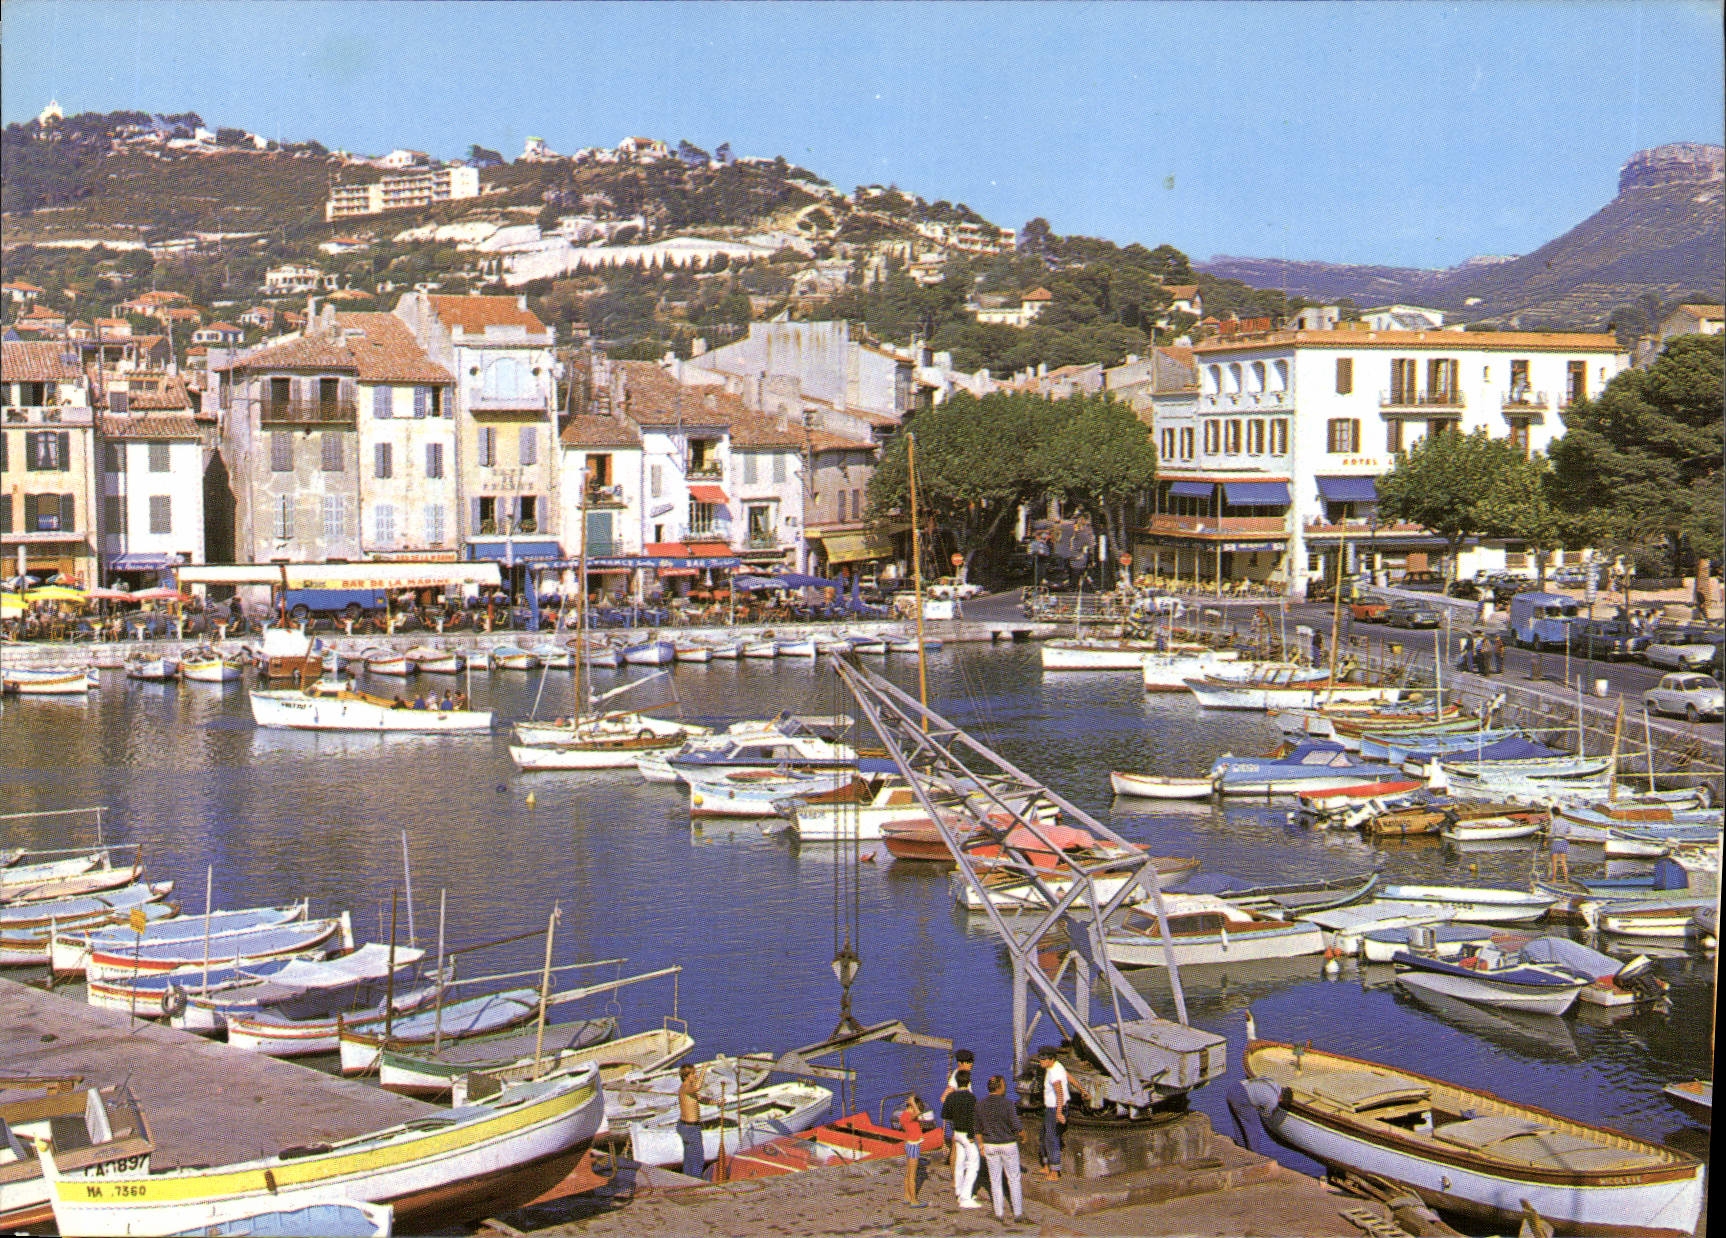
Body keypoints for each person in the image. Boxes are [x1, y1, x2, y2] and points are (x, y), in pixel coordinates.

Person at [977, 1074, 1025, 1223]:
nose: (1005, 1087)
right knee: (1014, 1179)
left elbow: (977, 1130)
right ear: (999, 1087)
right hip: (1008, 1145)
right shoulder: (1008, 1104)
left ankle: (998, 1212)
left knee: (995, 1179)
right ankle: (1017, 1213)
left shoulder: (980, 1105)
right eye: (1004, 1085)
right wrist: (1023, 1137)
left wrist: (980, 1145)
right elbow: (1017, 1127)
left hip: (990, 1145)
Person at [941, 1069, 982, 1208]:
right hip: (967, 1134)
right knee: (973, 1164)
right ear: (969, 1082)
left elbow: (945, 1114)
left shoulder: (951, 1097)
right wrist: (972, 1135)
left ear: (957, 1082)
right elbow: (973, 1118)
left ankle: (959, 1191)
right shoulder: (971, 1098)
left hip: (956, 1132)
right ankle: (965, 1197)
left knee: (959, 1162)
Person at [1037, 1046, 1068, 1179]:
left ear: (1052, 1059)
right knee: (1044, 1135)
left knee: (1051, 1138)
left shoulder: (1054, 1073)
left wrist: (1059, 1113)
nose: (1041, 1061)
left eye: (1044, 1059)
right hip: (1050, 1108)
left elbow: (1059, 1093)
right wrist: (1081, 1088)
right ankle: (1046, 1165)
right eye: (1040, 1058)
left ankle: (1055, 1171)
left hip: (1054, 1108)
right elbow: (1068, 1076)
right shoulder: (1056, 1067)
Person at [677, 1063, 707, 1179]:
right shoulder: (685, 1087)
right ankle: (696, 1183)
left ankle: (688, 1180)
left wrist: (717, 1102)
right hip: (691, 1128)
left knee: (689, 1158)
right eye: (693, 1074)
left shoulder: (688, 1089)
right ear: (686, 1077)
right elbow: (698, 1087)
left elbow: (700, 1098)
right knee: (697, 1158)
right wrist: (704, 1070)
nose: (695, 1076)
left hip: (686, 1127)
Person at [899, 1094, 925, 1207]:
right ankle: (914, 1200)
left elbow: (917, 1114)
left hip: (909, 1144)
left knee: (908, 1172)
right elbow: (918, 1112)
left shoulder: (904, 1115)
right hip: (913, 1146)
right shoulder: (909, 1116)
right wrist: (913, 1101)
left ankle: (906, 1195)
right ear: (911, 1107)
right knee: (912, 1175)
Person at [1549, 814, 1570, 882]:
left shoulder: (1554, 821)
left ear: (1553, 813)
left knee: (1554, 862)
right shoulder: (1566, 821)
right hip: (1564, 841)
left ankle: (1554, 879)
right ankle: (1566, 880)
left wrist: (1546, 840)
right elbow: (1568, 831)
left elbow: (1551, 833)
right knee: (1563, 862)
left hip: (1556, 841)